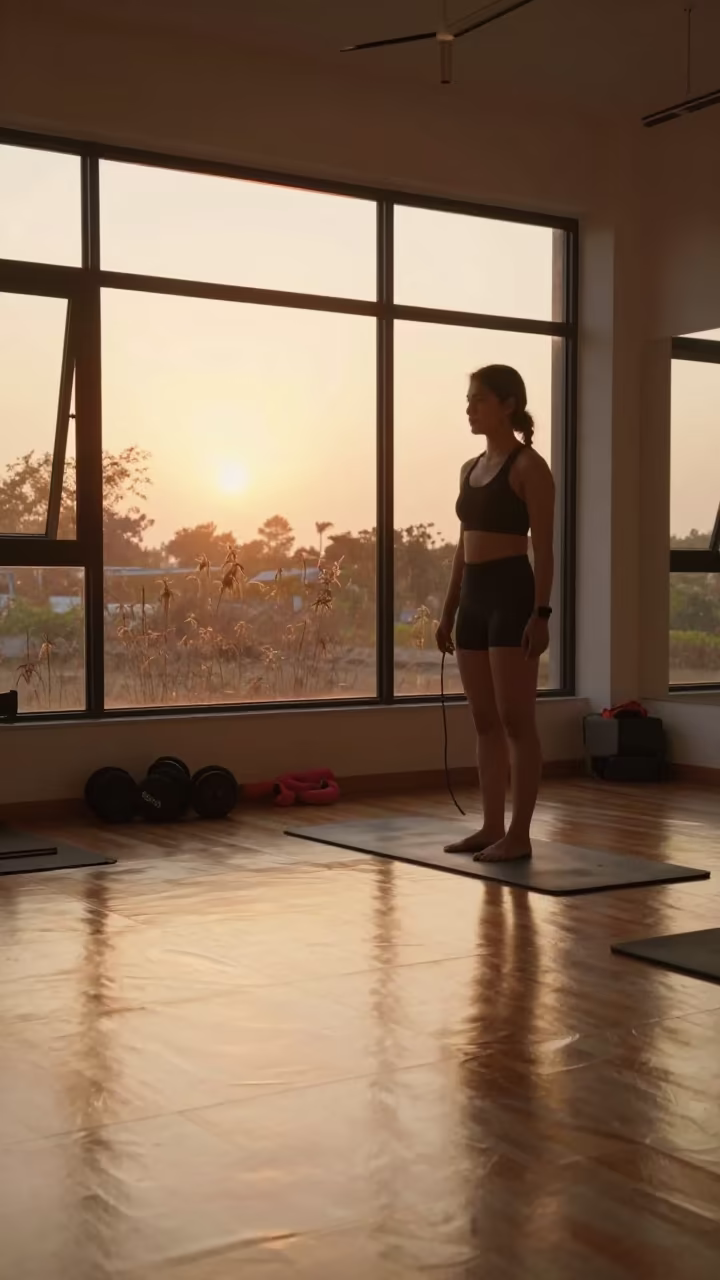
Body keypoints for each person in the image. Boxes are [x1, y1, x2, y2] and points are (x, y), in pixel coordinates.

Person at [435, 364, 555, 862]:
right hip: (474, 601)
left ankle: (520, 836)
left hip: (512, 596)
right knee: (483, 720)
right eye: (468, 399)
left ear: (508, 405)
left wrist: (541, 614)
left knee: (515, 721)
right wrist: (448, 610)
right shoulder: (469, 468)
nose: (469, 408)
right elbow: (463, 546)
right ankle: (489, 826)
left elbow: (544, 551)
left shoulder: (529, 468)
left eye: (479, 399)